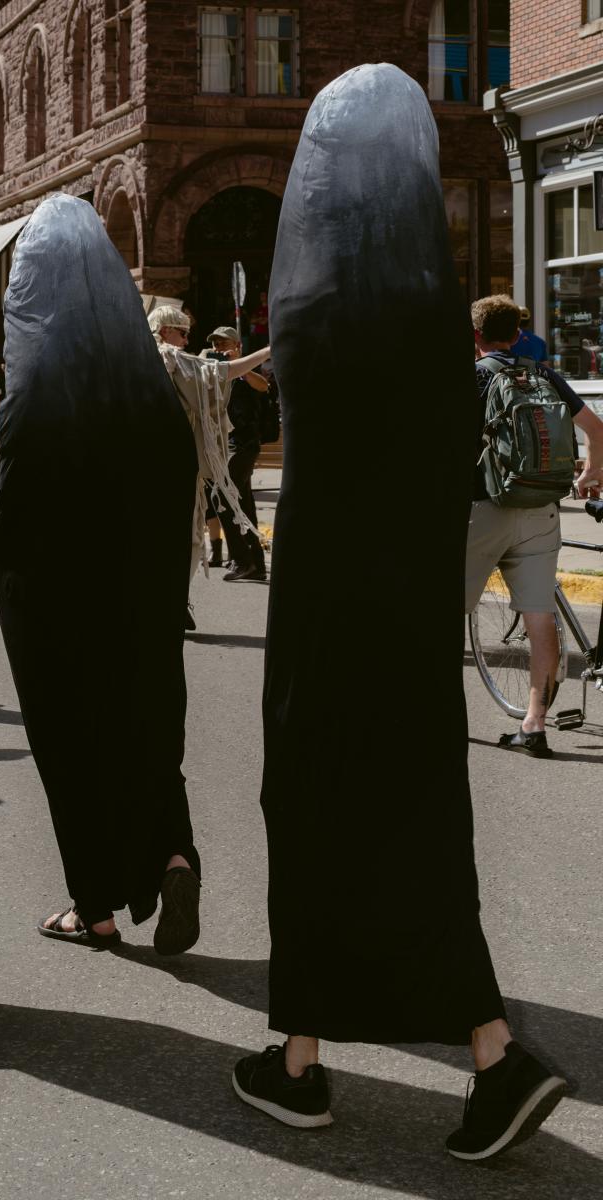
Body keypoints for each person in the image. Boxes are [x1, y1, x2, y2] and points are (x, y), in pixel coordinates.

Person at [233, 64, 567, 1165]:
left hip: (328, 622)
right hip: (411, 618)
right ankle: (472, 1054)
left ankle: (306, 1059)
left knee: (317, 814)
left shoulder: (320, 305)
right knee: (416, 831)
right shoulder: (438, 310)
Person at [0, 195, 203, 954]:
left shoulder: (38, 388)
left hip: (52, 598)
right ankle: (174, 855)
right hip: (144, 595)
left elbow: (14, 517)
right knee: (148, 732)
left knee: (71, 744)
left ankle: (96, 907)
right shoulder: (150, 388)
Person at [467, 295, 603, 757]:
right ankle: (534, 725)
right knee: (540, 615)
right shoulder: (543, 373)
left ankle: (441, 720)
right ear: (519, 333)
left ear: (476, 335)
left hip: (482, 509)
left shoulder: (474, 377)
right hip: (541, 508)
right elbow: (596, 428)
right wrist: (588, 474)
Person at [148, 305, 270, 627]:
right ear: (165, 332)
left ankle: (168, 598)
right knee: (185, 536)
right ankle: (171, 600)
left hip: (157, 465)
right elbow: (221, 374)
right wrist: (271, 349)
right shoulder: (169, 359)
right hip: (173, 465)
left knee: (170, 535)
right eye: (182, 332)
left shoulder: (140, 361)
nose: (187, 339)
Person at [202, 326, 269, 581]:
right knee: (244, 504)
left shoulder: (245, 372)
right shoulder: (216, 372)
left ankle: (242, 560)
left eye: (223, 344)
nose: (219, 349)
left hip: (243, 445)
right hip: (224, 446)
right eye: (216, 344)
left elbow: (263, 387)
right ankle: (256, 565)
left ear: (237, 346)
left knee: (223, 497)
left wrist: (239, 366)